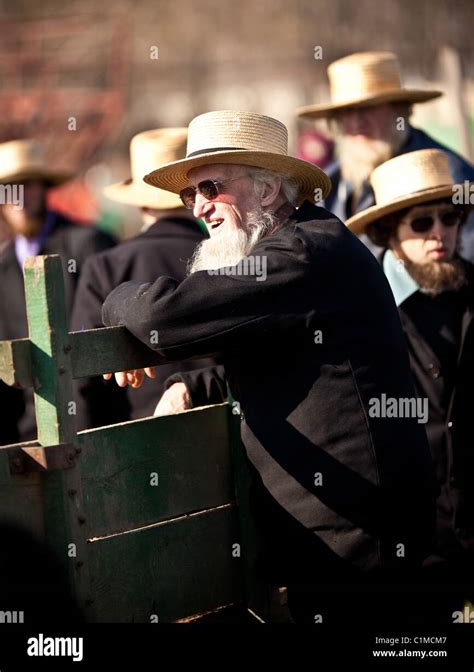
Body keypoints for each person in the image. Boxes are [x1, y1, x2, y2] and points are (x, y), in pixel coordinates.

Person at [99, 109, 436, 627]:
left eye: (211, 187)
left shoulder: (300, 254)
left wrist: (115, 299)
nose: (201, 209)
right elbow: (286, 363)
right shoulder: (300, 248)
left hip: (358, 546)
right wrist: (193, 384)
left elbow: (155, 316)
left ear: (267, 191)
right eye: (192, 196)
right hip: (344, 535)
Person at [346, 148, 474, 625]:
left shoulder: (470, 290)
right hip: (405, 533)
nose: (440, 233)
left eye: (450, 218)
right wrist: (191, 384)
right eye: (422, 224)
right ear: (388, 233)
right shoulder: (360, 305)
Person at [71, 128, 216, 427]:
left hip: (140, 442)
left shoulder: (106, 266)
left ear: (140, 203)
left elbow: (82, 379)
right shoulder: (231, 257)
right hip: (230, 436)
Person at [296, 51, 474, 261]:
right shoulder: (331, 183)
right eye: (346, 112)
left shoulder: (446, 171)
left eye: (367, 108)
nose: (356, 122)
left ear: (400, 110)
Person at [0, 139, 116, 443]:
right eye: (8, 190)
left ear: (44, 188)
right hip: (28, 432)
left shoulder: (89, 243)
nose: (19, 199)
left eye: (27, 186)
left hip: (96, 426)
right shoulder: (2, 267)